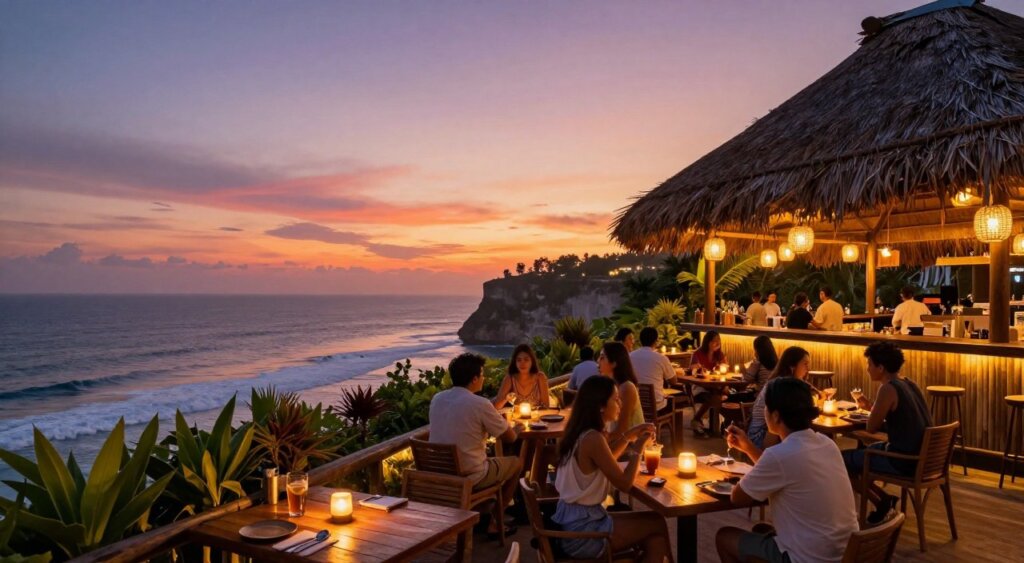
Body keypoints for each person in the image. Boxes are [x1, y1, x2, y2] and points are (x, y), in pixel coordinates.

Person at [717, 377, 858, 563]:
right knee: (761, 530)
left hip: (809, 558)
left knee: (725, 537)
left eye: (766, 407)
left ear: (775, 416)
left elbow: (738, 497)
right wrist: (748, 448)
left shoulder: (779, 455)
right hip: (844, 554)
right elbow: (783, 469)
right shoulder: (827, 444)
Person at [552, 376, 672, 562]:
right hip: (584, 533)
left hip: (571, 522)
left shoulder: (579, 433)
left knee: (656, 539)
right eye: (615, 399)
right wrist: (638, 448)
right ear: (600, 406)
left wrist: (629, 435)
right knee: (656, 522)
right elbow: (624, 484)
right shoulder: (593, 438)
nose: (620, 403)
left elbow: (604, 461)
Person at [430, 353, 523, 537]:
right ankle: (495, 522)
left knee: (484, 458)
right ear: (474, 379)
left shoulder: (437, 399)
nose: (484, 378)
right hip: (470, 475)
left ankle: (484, 513)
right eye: (482, 374)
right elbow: (510, 438)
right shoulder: (479, 403)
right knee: (516, 463)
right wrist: (518, 428)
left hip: (438, 473)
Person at [843, 341, 932, 524]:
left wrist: (867, 414)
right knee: (862, 455)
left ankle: (882, 501)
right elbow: (902, 422)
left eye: (869, 364)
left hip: (903, 460)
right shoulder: (909, 383)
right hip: (924, 458)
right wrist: (871, 407)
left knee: (841, 461)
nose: (868, 369)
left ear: (881, 367)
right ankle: (884, 500)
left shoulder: (888, 388)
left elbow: (871, 428)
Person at [746, 346, 824, 449]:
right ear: (792, 367)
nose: (808, 368)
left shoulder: (792, 384)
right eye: (805, 364)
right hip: (760, 435)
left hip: (773, 429)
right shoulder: (780, 386)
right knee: (795, 427)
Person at [599, 341, 644, 440]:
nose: (598, 361)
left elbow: (622, 431)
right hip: (616, 440)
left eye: (602, 358)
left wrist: (599, 440)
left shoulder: (626, 388)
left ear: (614, 363)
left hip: (630, 446)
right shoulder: (610, 386)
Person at [630, 327, 677, 411]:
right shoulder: (661, 358)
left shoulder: (630, 356)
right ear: (656, 341)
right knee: (672, 400)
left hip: (635, 404)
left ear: (640, 341)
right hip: (656, 406)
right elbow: (673, 381)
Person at [690, 331, 727, 436]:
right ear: (707, 342)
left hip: (716, 387)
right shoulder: (698, 354)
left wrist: (722, 366)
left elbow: (725, 369)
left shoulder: (719, 355)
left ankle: (719, 425)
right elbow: (692, 369)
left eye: (718, 340)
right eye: (714, 341)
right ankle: (697, 419)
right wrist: (696, 367)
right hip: (700, 387)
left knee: (725, 396)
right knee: (715, 398)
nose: (717, 343)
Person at [494, 344, 549, 408]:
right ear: (515, 362)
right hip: (516, 417)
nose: (522, 363)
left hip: (537, 416)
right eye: (519, 360)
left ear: (532, 361)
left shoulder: (540, 377)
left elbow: (546, 405)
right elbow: (497, 406)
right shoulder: (510, 378)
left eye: (526, 360)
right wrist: (506, 398)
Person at [734, 335, 777, 403]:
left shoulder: (758, 362)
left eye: (755, 349)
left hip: (759, 399)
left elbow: (746, 380)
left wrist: (742, 369)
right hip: (773, 400)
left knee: (731, 397)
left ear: (758, 350)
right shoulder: (777, 363)